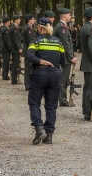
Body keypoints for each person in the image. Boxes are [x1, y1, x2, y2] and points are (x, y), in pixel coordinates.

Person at [27, 17, 65, 145]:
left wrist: (41, 61)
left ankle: (39, 129)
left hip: (39, 73)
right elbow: (64, 60)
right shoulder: (58, 42)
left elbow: (30, 56)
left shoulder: (36, 41)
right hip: (55, 74)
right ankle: (49, 135)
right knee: (51, 105)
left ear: (39, 28)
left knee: (34, 103)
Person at [53, 8, 77, 107]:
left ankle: (62, 98)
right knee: (63, 79)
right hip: (63, 58)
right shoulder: (61, 27)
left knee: (63, 79)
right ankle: (62, 99)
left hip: (63, 57)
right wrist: (71, 57)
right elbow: (65, 44)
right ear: (64, 16)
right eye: (69, 15)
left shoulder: (62, 26)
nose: (70, 17)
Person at [22, 14, 36, 91]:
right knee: (28, 68)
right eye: (33, 19)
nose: (34, 20)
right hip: (28, 51)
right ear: (29, 20)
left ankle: (28, 83)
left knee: (28, 68)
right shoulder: (28, 29)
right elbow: (31, 41)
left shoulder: (28, 28)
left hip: (27, 51)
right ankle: (27, 84)